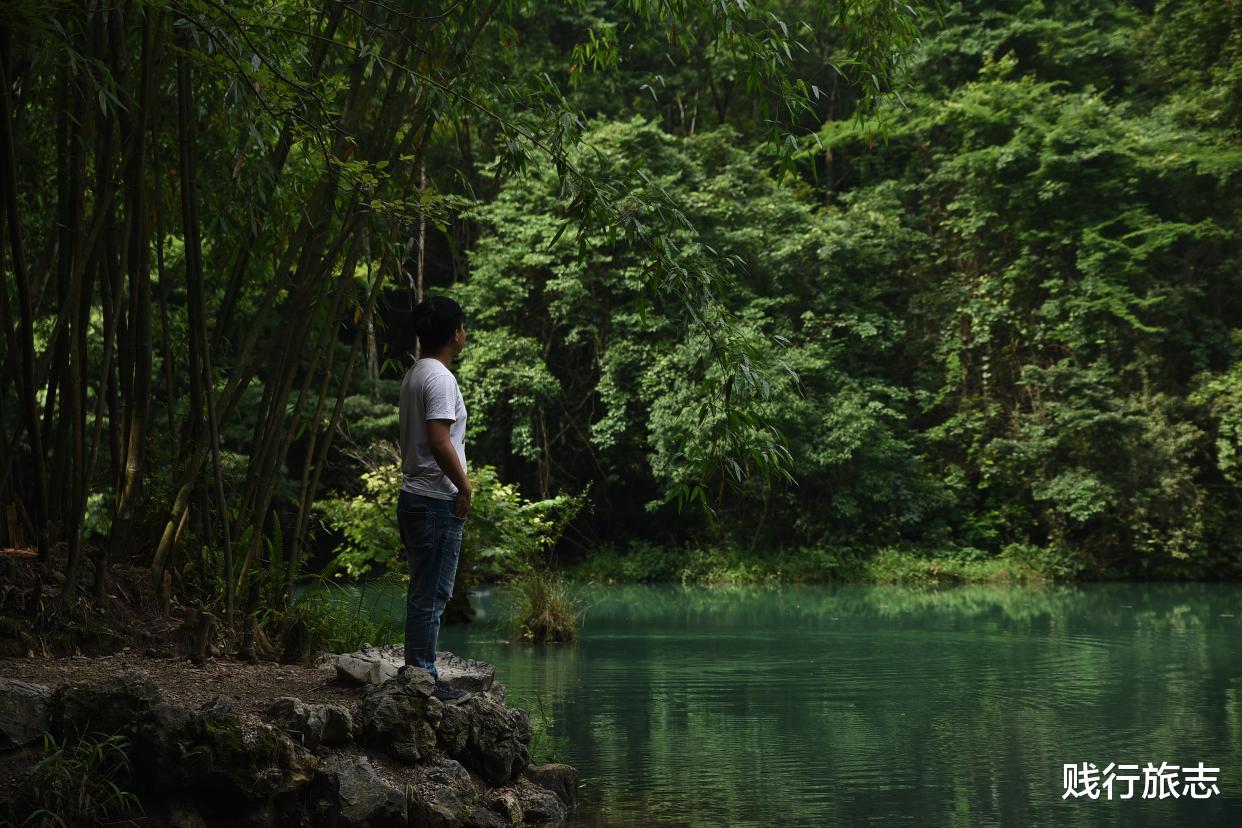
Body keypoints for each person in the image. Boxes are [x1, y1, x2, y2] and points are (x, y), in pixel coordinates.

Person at [397, 295, 472, 702]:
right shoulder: (440, 378)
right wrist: (464, 486)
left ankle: (417, 672)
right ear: (455, 333)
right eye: (462, 326)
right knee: (434, 593)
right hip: (434, 502)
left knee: (423, 590)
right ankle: (423, 678)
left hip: (415, 497)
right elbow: (440, 441)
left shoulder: (415, 374)